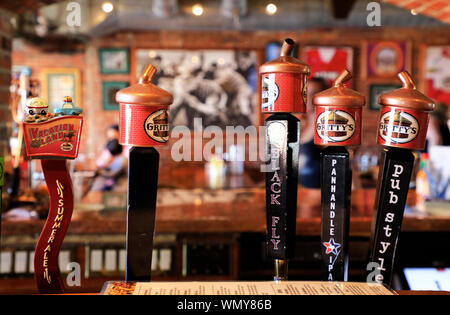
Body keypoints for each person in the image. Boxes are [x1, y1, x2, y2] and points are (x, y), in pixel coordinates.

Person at [297, 78, 329, 189]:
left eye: (314, 94)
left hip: (318, 193)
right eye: (306, 94)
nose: (309, 99)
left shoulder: (327, 128)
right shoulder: (302, 125)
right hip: (301, 192)